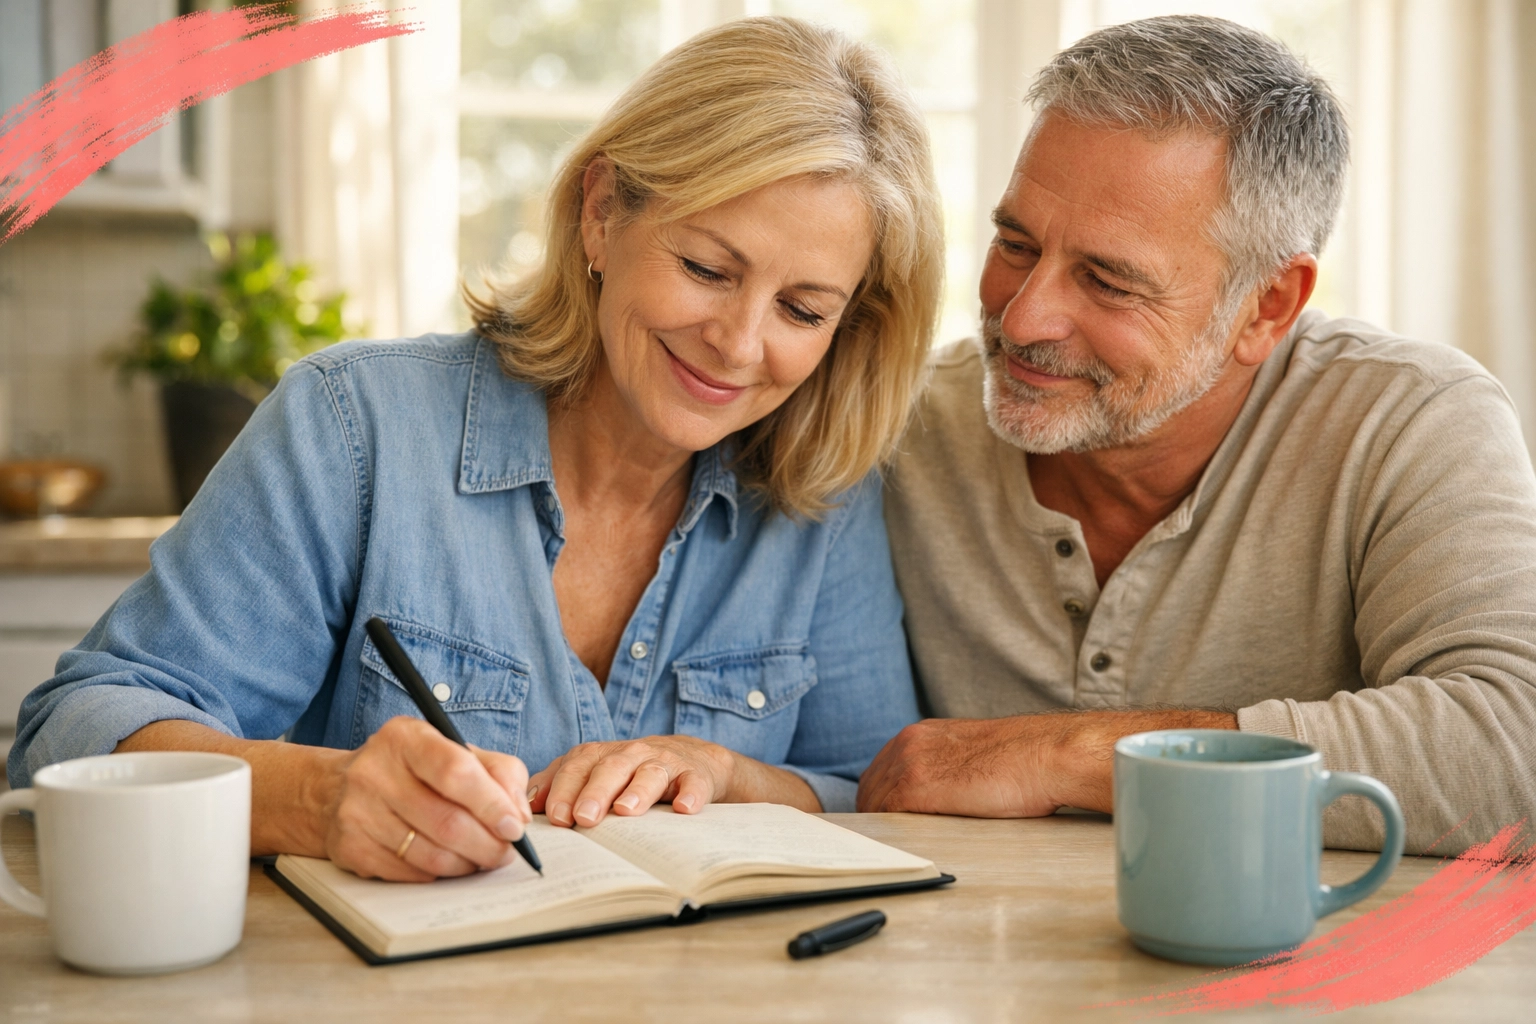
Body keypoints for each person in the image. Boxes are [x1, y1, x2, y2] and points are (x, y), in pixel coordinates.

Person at [8, 16, 943, 881]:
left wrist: (729, 773)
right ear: (603, 213)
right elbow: (73, 733)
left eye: (802, 309)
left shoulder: (823, 496)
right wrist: (317, 797)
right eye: (706, 268)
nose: (740, 344)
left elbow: (876, 792)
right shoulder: (355, 426)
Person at [862, 14, 1536, 856]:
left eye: (1108, 281)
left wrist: (1073, 754)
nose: (1024, 315)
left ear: (1266, 307)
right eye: (1015, 242)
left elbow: (1516, 748)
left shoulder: (1410, 420)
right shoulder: (895, 426)